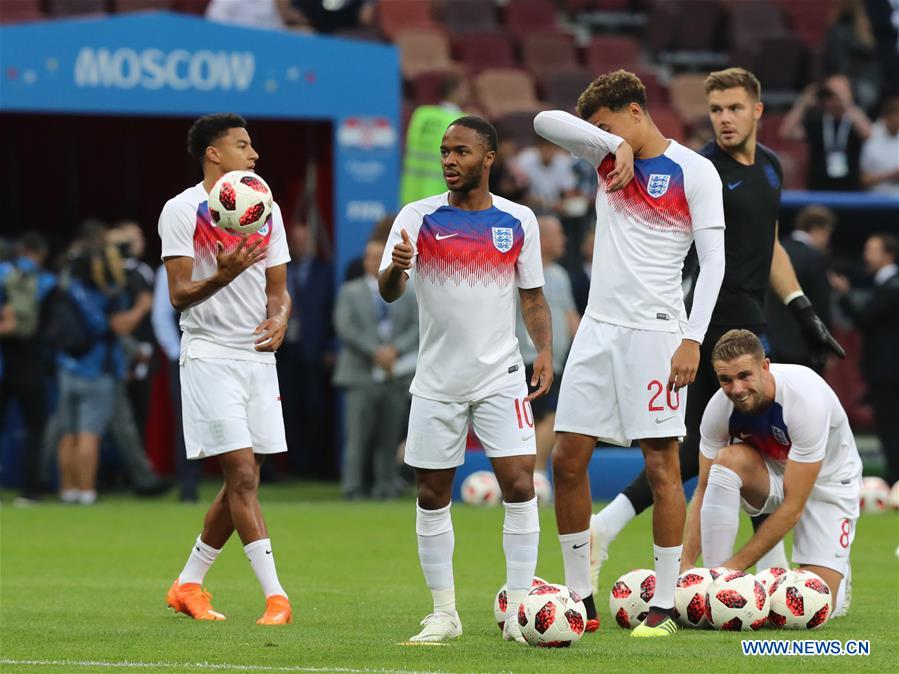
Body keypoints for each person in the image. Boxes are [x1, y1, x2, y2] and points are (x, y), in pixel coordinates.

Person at [586, 68, 846, 604]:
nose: (724, 119)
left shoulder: (771, 169)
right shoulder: (700, 169)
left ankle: (616, 533)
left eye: (733, 108)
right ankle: (623, 537)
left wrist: (801, 307)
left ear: (757, 111)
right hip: (707, 322)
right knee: (716, 447)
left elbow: (768, 244)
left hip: (754, 318)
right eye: (715, 110)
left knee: (731, 446)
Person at [535, 69, 727, 638]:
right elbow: (545, 122)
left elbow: (712, 262)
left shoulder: (695, 170)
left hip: (657, 332)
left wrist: (693, 337)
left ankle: (664, 606)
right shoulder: (606, 159)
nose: (596, 135)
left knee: (662, 466)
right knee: (567, 459)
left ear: (637, 110)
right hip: (597, 329)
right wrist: (608, 141)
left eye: (607, 122)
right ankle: (579, 599)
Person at [379, 116, 553, 643]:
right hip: (436, 380)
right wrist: (396, 268)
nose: (450, 160)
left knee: (521, 485)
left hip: (501, 374)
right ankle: (445, 614)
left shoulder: (519, 220)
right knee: (432, 493)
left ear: (488, 158)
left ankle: (520, 611)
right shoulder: (417, 216)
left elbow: (533, 297)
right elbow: (389, 290)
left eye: (461, 151)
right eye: (445, 152)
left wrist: (543, 349)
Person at [159, 113, 292, 625]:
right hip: (210, 353)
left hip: (258, 356)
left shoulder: (267, 209)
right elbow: (179, 294)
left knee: (246, 478)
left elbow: (278, 290)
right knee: (240, 474)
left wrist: (279, 319)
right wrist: (227, 271)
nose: (253, 154)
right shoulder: (182, 209)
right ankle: (276, 597)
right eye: (242, 145)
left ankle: (188, 584)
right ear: (213, 154)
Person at [683, 329, 861, 616]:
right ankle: (713, 584)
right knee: (726, 462)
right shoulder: (719, 408)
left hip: (828, 486)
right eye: (725, 380)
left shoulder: (805, 399)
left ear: (765, 366)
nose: (736, 389)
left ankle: (838, 574)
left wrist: (734, 569)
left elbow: (793, 507)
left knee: (812, 608)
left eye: (744, 376)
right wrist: (687, 571)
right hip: (772, 473)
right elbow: (703, 489)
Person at [55, 245, 149, 505]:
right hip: (96, 370)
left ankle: (68, 490)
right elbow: (117, 326)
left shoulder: (69, 289)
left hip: (67, 366)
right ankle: (86, 492)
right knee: (88, 434)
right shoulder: (105, 295)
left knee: (68, 435)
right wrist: (141, 306)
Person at [333, 239, 418, 500]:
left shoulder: (408, 291)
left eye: (378, 256)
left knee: (389, 435)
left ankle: (386, 485)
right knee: (358, 436)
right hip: (360, 374)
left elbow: (418, 326)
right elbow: (345, 327)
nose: (372, 261)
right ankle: (353, 487)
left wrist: (395, 351)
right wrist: (376, 352)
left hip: (396, 374)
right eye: (369, 256)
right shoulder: (350, 291)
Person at [830, 233, 899, 485]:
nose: (866, 255)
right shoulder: (884, 284)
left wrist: (845, 294)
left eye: (872, 250)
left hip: (887, 371)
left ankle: (895, 482)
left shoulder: (892, 285)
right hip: (885, 371)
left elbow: (865, 319)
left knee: (890, 427)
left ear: (888, 254)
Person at [514, 215, 578, 480]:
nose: (564, 240)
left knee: (547, 419)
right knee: (548, 417)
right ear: (542, 238)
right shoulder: (518, 270)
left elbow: (570, 317)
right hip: (529, 358)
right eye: (558, 234)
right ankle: (535, 476)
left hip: (557, 363)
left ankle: (530, 476)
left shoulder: (559, 275)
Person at [0, 232, 56, 503]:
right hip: (31, 365)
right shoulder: (47, 282)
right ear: (40, 253)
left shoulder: (3, 275)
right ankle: (30, 490)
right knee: (35, 428)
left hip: (4, 362)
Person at [280, 218, 336, 478]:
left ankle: (317, 466)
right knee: (288, 409)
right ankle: (294, 466)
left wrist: (330, 347)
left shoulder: (325, 273)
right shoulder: (280, 271)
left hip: (314, 352)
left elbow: (332, 312)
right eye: (295, 240)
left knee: (316, 408)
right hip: (284, 351)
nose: (298, 245)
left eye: (303, 240)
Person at [766, 206, 837, 371]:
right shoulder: (815, 258)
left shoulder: (774, 251)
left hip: (768, 343)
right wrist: (825, 346)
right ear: (821, 229)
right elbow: (821, 306)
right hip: (802, 349)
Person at [151, 266, 201, 503]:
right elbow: (161, 316)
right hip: (185, 357)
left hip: (222, 354)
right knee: (187, 422)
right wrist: (177, 352)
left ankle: (237, 482)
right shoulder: (169, 266)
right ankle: (188, 485)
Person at [779, 75, 872, 191]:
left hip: (850, 190)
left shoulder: (854, 119)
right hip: (819, 189)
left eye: (838, 93)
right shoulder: (817, 119)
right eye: (830, 94)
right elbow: (786, 133)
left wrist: (846, 102)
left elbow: (868, 134)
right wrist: (803, 103)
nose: (834, 98)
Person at [400, 74, 472, 205]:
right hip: (441, 194)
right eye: (464, 89)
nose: (468, 93)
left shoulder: (421, 114)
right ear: (454, 91)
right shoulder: (461, 122)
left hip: (411, 191)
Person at [860, 96, 899, 195]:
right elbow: (863, 179)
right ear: (887, 116)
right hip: (874, 200)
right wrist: (892, 175)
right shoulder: (869, 135)